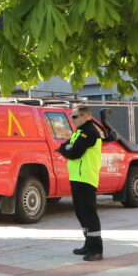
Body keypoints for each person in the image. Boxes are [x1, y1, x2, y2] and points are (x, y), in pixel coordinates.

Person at [57, 105, 106, 261]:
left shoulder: (90, 132)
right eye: (72, 116)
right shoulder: (79, 132)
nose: (72, 119)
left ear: (85, 116)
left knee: (89, 213)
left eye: (75, 116)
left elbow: (74, 153)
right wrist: (67, 148)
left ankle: (96, 249)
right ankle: (88, 244)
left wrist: (68, 149)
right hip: (77, 177)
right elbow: (63, 147)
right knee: (81, 213)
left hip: (86, 178)